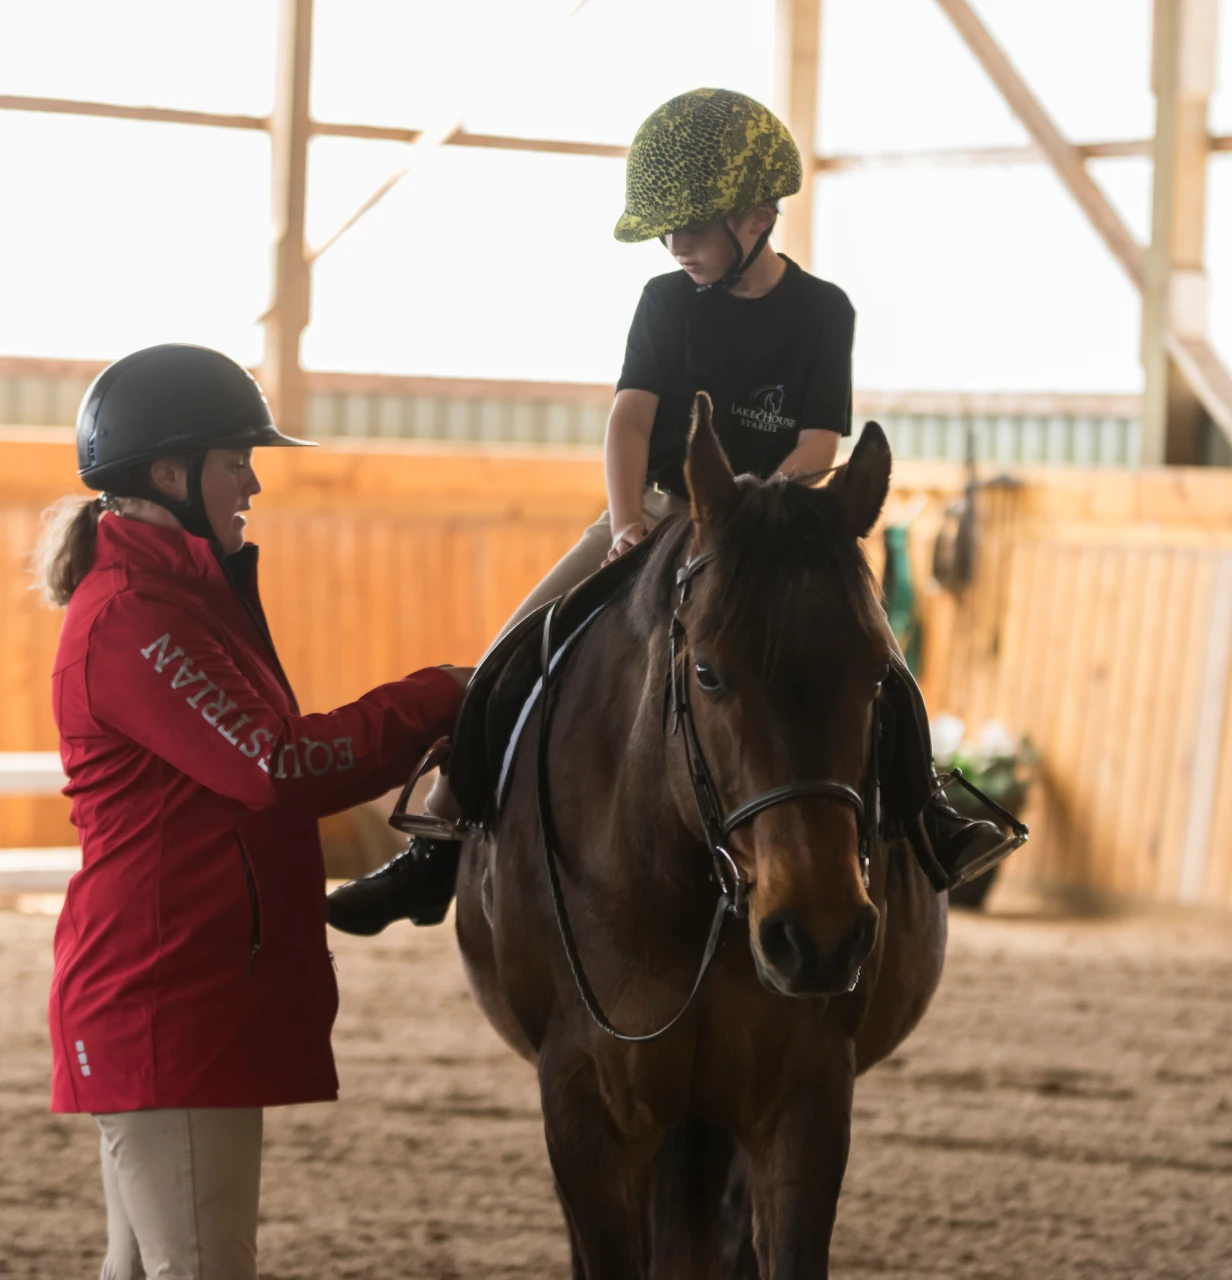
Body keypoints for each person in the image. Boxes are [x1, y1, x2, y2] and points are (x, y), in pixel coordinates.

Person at [327, 88, 1007, 938]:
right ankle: (434, 851)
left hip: (774, 529)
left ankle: (931, 817)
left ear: (758, 216)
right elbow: (630, 420)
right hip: (654, 506)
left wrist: (756, 512)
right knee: (510, 650)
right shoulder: (665, 300)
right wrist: (623, 525)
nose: (676, 244)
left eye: (693, 226)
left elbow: (820, 441)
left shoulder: (823, 311)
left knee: (881, 662)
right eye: (668, 229)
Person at [36, 344, 469, 1280]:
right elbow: (277, 764)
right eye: (238, 460)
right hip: (169, 997)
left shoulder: (179, 599)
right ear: (171, 473)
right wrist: (440, 695)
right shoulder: (136, 618)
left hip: (178, 990)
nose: (255, 482)